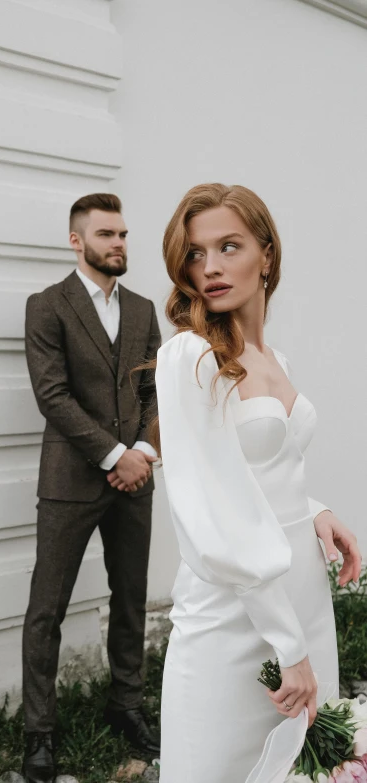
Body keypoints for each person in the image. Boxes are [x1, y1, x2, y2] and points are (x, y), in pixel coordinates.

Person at [153, 184, 363, 782]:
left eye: (229, 246)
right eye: (195, 254)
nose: (211, 267)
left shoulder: (279, 361)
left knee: (301, 763)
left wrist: (314, 508)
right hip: (233, 609)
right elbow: (210, 501)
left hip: (303, 590)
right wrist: (285, 644)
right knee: (216, 766)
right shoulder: (191, 357)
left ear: (266, 255)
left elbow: (261, 467)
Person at [22, 193, 161, 783]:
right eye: (107, 235)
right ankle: (39, 732)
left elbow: (157, 392)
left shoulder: (144, 308)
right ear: (76, 241)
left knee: (130, 599)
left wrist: (145, 454)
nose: (120, 244)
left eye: (124, 234)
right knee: (46, 609)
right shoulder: (46, 306)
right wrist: (113, 455)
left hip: (136, 481)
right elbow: (51, 395)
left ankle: (125, 705)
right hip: (69, 481)